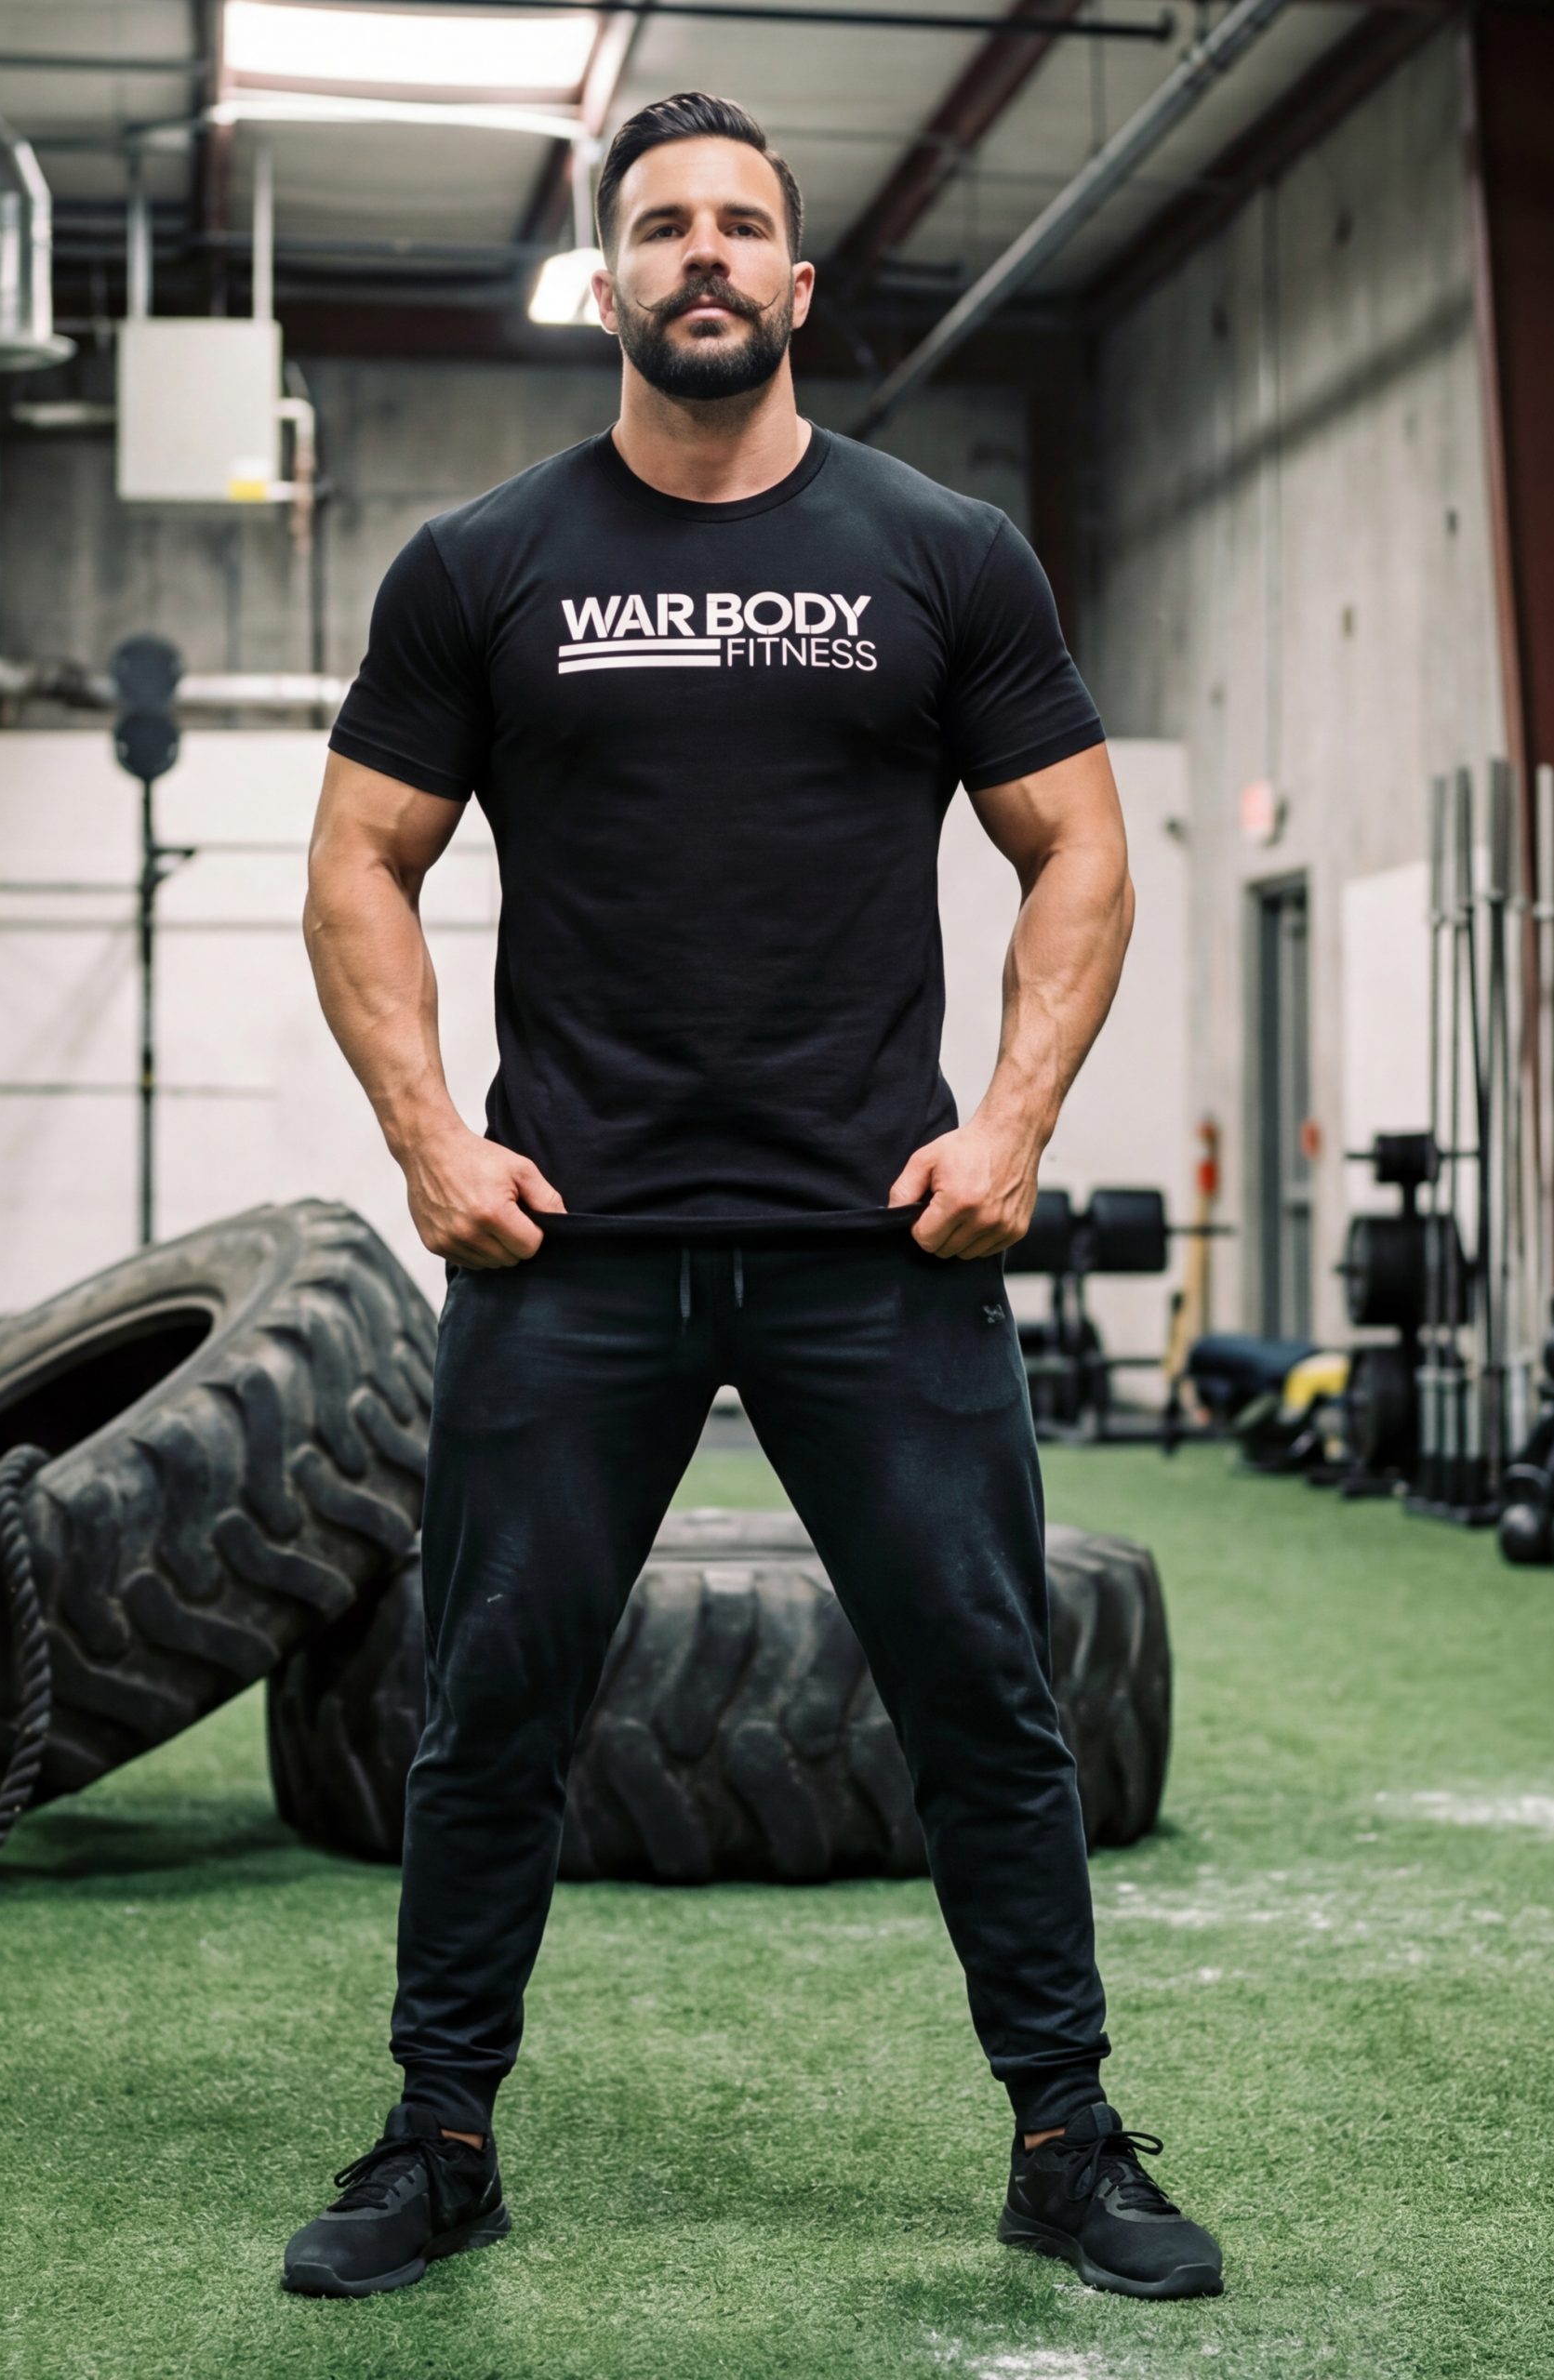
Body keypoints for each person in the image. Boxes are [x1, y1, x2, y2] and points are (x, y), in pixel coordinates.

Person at [288, 89, 1221, 2304]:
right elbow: (357, 858)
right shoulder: (480, 567)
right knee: (488, 1698)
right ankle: (438, 2136)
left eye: (739, 229)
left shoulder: (941, 552)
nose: (700, 256)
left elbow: (1076, 844)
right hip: (570, 1249)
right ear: (605, 284)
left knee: (985, 1689)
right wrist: (432, 1140)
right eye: (658, 228)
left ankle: (1063, 2134)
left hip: (870, 1248)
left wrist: (1005, 1123)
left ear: (796, 288)